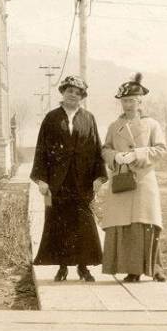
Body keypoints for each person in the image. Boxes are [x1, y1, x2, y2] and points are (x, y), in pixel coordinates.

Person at [30, 75, 108, 282]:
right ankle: (63, 266)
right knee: (60, 222)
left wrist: (99, 176)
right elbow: (42, 150)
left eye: (77, 92)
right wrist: (41, 179)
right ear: (63, 92)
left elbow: (95, 147)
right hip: (58, 180)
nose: (73, 95)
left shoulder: (88, 118)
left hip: (82, 180)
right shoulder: (51, 118)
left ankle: (83, 267)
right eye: (69, 91)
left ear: (82, 96)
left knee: (83, 222)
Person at [99, 73, 167, 283]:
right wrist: (115, 156)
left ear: (140, 102)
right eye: (124, 101)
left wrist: (137, 154)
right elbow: (105, 149)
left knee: (145, 222)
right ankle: (131, 269)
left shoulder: (152, 125)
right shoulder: (114, 126)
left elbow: (161, 149)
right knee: (123, 224)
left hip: (143, 179)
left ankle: (154, 268)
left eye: (131, 101)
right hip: (122, 179)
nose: (128, 105)